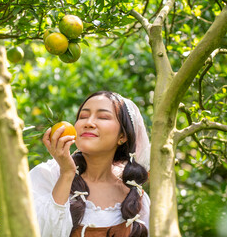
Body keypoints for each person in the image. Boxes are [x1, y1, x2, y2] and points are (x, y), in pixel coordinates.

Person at [29, 91, 151, 237]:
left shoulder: (137, 198)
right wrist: (66, 174)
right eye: (83, 117)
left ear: (122, 136)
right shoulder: (47, 176)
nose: (88, 123)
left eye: (103, 117)